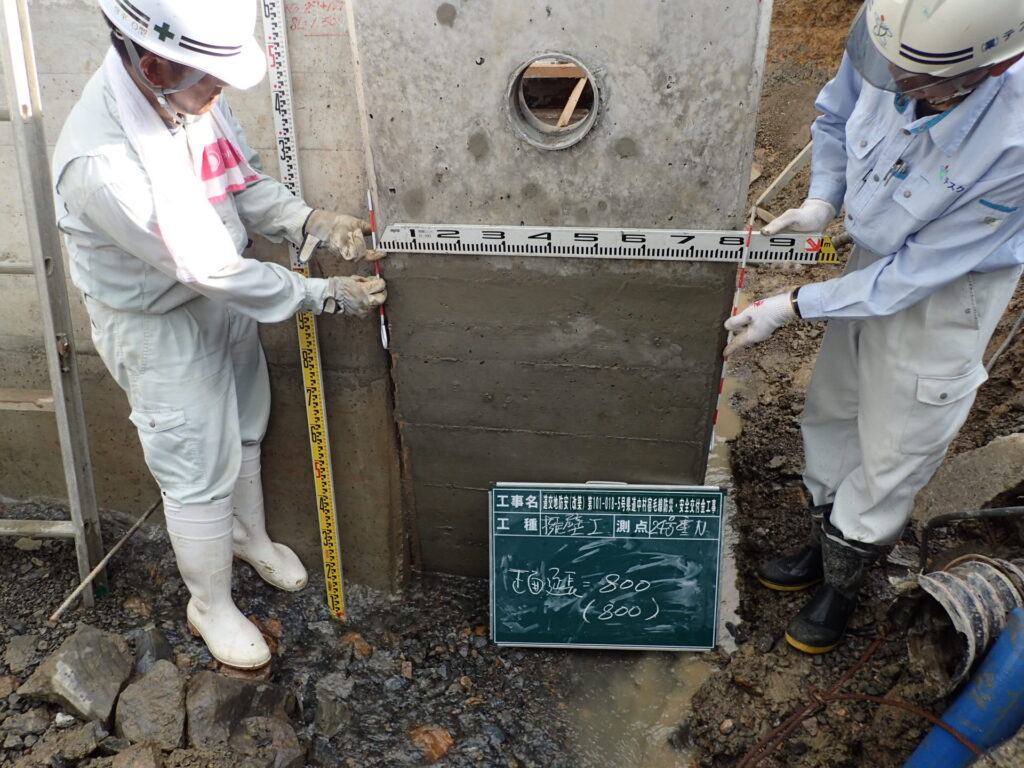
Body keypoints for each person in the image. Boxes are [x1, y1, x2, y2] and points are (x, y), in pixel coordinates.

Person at [52, 0, 387, 669]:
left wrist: (308, 221)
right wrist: (322, 295)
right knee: (196, 466)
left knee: (246, 421)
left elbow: (239, 181)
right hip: (160, 324)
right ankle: (210, 604)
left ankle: (248, 537)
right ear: (153, 64)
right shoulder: (104, 165)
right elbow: (211, 269)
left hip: (225, 298)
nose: (221, 90)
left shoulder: (186, 95)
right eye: (212, 78)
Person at [724, 0, 1024, 654]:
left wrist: (793, 304)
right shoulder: (890, 28)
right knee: (836, 403)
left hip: (946, 288)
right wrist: (823, 196)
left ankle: (845, 579)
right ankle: (821, 540)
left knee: (896, 436)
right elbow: (837, 113)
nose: (895, 84)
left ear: (991, 67)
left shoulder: (1014, 141)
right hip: (872, 254)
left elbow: (915, 274)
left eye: (917, 82)